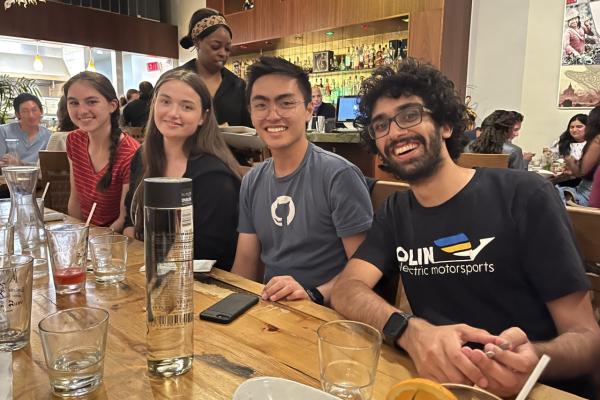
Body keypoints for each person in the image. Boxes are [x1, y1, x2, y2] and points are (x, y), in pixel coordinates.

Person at [330, 59, 600, 398]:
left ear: (445, 125)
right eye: (381, 125)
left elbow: (587, 340)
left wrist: (534, 359)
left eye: (410, 115)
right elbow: (347, 289)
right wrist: (409, 331)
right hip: (443, 387)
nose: (395, 132)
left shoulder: (524, 195)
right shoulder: (397, 210)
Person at [231, 57, 373, 305]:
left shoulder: (338, 176)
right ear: (251, 114)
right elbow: (245, 267)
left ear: (309, 109)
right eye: (261, 105)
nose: (273, 115)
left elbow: (365, 272)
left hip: (328, 316)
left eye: (286, 103)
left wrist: (313, 293)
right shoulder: (252, 180)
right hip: (270, 315)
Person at [123, 69, 241, 269]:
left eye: (187, 106)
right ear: (154, 105)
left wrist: (142, 241)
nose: (173, 113)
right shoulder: (142, 158)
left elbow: (205, 251)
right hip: (146, 271)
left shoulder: (214, 176)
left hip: (200, 285)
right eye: (165, 102)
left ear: (203, 117)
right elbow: (130, 222)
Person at [64, 71, 140, 231]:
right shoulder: (74, 140)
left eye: (91, 102)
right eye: (74, 103)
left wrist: (96, 244)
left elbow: (124, 218)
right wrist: (78, 237)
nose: (82, 110)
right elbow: (75, 199)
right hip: (84, 235)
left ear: (112, 105)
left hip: (114, 241)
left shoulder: (130, 153)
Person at [176, 8, 251, 128]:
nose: (223, 53)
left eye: (227, 48)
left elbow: (249, 129)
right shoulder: (175, 81)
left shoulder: (238, 86)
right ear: (197, 42)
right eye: (215, 46)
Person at [560, 105, 600, 206]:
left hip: (587, 197)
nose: (574, 130)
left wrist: (569, 160)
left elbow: (581, 172)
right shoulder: (564, 141)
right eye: (572, 127)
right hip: (587, 193)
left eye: (579, 127)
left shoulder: (597, 141)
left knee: (549, 190)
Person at [0, 93, 51, 165]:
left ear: (41, 111)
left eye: (34, 110)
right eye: (25, 111)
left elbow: (47, 166)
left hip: (37, 176)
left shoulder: (48, 136)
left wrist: (20, 164)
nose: (31, 115)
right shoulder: (3, 131)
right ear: (18, 114)